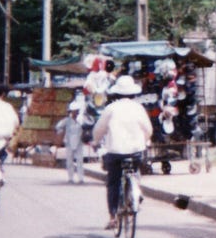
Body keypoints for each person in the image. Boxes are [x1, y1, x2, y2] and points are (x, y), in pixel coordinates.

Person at [90, 75, 153, 229]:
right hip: (136, 151)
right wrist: (145, 140)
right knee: (135, 169)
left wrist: (95, 141)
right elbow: (148, 130)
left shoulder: (111, 109)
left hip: (115, 152)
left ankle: (113, 216)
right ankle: (136, 190)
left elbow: (99, 130)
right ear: (132, 93)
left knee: (113, 182)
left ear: (117, 93)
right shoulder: (138, 108)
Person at [55, 98, 87, 184]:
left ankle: (81, 178)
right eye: (75, 111)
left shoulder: (81, 120)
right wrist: (60, 132)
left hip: (79, 142)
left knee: (80, 161)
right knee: (69, 161)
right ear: (71, 112)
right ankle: (70, 177)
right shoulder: (67, 120)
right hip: (69, 142)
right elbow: (58, 127)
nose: (76, 113)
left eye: (77, 111)